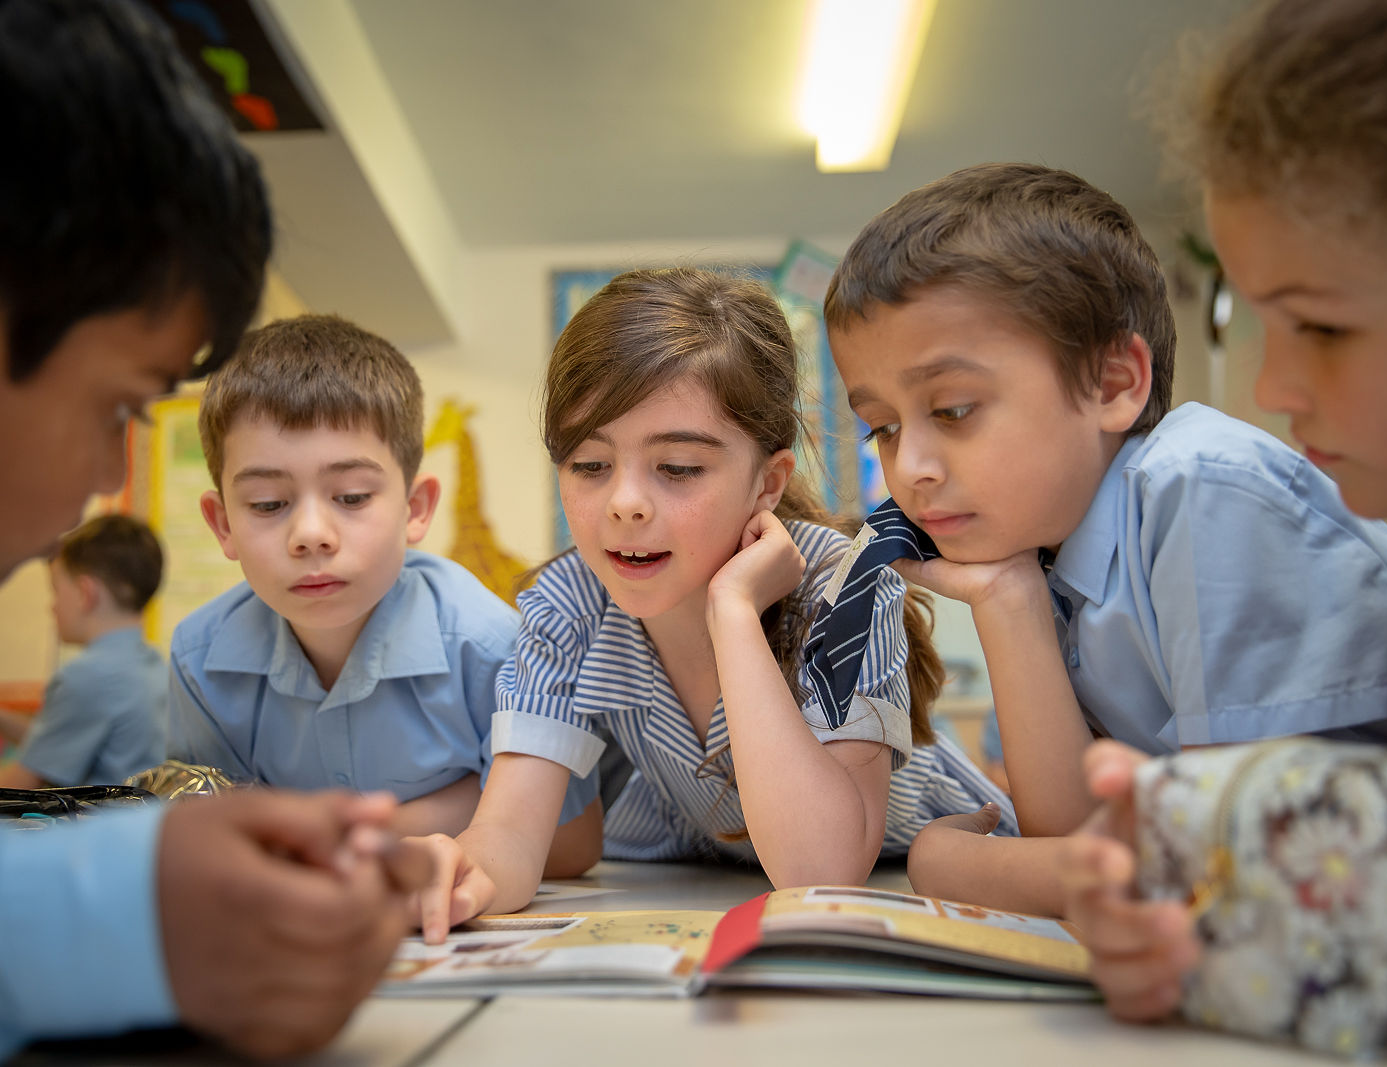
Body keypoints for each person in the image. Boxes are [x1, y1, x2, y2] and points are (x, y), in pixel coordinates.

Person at [0, 3, 425, 1063]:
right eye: (122, 406)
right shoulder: (202, 649)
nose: (108, 474)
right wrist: (116, 917)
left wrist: (130, 898)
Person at [1055, 0, 1387, 1052]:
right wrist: (1193, 928)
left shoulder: (1200, 482)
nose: (1271, 387)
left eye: (1323, 326)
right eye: (1265, 320)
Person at [823, 161, 1387, 917]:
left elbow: (1238, 877)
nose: (909, 468)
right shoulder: (1048, 556)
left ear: (1113, 384)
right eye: (881, 427)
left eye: (953, 409)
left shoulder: (1202, 489)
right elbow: (1080, 840)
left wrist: (955, 865)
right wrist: (1008, 600)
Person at [397, 267, 1015, 943]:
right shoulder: (567, 604)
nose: (624, 503)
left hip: (924, 861)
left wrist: (734, 612)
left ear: (768, 482)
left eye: (679, 468)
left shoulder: (843, 582)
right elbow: (510, 836)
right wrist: (461, 870)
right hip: (707, 866)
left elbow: (822, 868)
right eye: (589, 465)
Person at [167, 313, 601, 863]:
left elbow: (573, 840)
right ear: (222, 523)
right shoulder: (199, 660)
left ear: (415, 508)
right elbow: (216, 840)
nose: (311, 535)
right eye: (268, 504)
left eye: (351, 497)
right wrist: (462, 804)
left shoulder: (493, 647)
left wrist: (354, 834)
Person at [0, 514, 167, 787]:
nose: (51, 607)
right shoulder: (151, 663)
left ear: (85, 593)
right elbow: (58, 743)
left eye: (55, 590)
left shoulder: (87, 677)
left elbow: (9, 794)